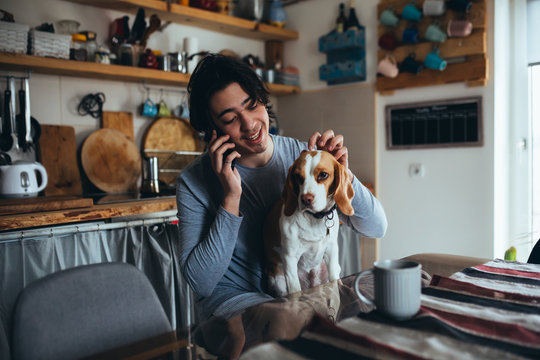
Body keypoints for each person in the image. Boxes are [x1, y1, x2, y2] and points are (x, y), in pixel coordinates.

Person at [176, 53, 387, 322]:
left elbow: (377, 228)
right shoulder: (194, 182)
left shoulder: (304, 159)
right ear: (212, 130)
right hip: (238, 301)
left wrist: (341, 172)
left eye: (252, 105)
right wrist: (231, 197)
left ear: (263, 100)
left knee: (376, 305)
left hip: (303, 287)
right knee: (290, 325)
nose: (249, 124)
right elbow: (200, 284)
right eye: (230, 119)